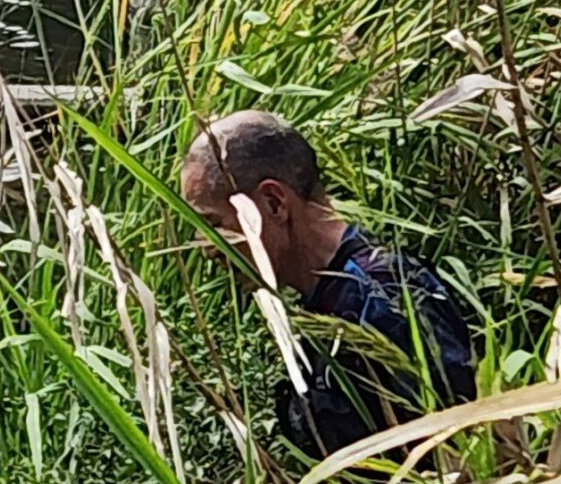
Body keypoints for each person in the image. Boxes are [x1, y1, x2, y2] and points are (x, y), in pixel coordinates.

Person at [178, 111, 479, 457]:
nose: (207, 251)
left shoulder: (384, 301)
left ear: (274, 203)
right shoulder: (331, 298)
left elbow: (462, 453)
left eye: (214, 225)